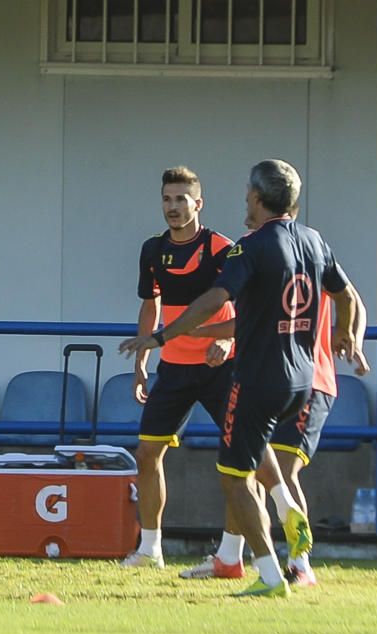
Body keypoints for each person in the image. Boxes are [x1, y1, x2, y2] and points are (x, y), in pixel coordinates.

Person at [120, 159, 361, 597]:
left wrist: (163, 335)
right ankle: (241, 551)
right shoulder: (313, 240)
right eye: (167, 199)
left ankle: (273, 575)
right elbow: (346, 294)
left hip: (254, 376)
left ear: (255, 197)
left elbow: (216, 299)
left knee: (235, 476)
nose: (172, 206)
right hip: (302, 379)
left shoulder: (245, 247)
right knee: (258, 464)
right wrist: (349, 333)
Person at [187, 278, 369, 585]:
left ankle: (300, 565)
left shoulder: (310, 257)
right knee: (242, 469)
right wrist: (210, 334)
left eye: (254, 223)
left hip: (312, 382)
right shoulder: (264, 258)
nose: (249, 225)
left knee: (283, 471)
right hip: (268, 381)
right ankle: (229, 557)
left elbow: (352, 299)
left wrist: (351, 336)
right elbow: (250, 321)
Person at [121, 166, 247, 574]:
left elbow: (248, 308)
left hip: (219, 368)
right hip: (173, 368)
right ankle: (150, 549)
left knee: (238, 460)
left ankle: (232, 552)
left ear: (199, 203)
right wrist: (142, 362)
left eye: (180, 199)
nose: (173, 207)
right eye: (166, 199)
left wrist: (227, 340)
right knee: (147, 452)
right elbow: (150, 304)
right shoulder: (152, 250)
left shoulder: (222, 249)